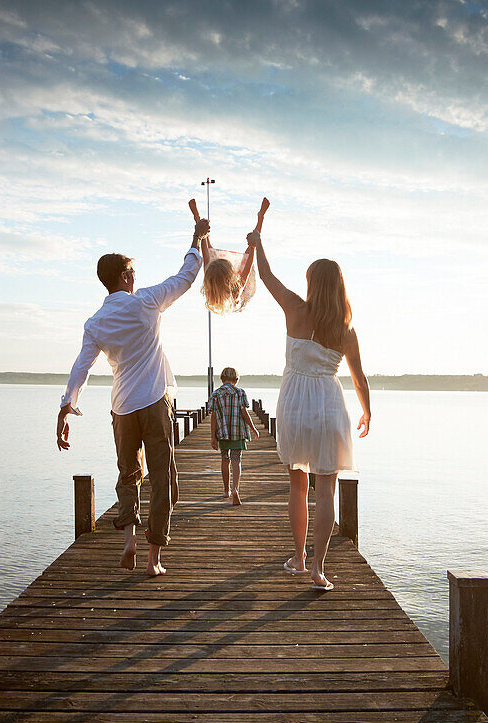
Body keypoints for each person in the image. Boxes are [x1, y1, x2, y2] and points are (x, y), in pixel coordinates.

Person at [56, 218, 209, 577]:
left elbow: (82, 367)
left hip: (122, 407)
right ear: (124, 278)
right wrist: (195, 238)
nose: (135, 278)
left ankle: (129, 541)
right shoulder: (146, 302)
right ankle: (154, 558)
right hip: (155, 402)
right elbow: (186, 276)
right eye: (132, 273)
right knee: (161, 479)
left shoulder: (95, 322)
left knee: (128, 475)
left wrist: (67, 404)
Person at [252, 230, 371, 591]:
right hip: (328, 407)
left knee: (297, 486)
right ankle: (319, 569)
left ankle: (300, 558)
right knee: (326, 492)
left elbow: (267, 276)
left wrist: (258, 243)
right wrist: (367, 412)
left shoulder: (294, 308)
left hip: (293, 405)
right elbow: (359, 378)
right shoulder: (346, 330)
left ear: (312, 284)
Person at [209, 367, 261, 505]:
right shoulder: (240, 393)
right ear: (236, 380)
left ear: (221, 379)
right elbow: (244, 413)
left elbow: (213, 416)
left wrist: (213, 437)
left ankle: (226, 490)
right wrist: (253, 428)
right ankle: (235, 489)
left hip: (223, 433)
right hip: (237, 433)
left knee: (225, 460)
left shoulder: (216, 394)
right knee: (236, 461)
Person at [200, 234, 257, 314]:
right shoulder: (236, 291)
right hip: (238, 299)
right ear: (230, 277)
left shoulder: (210, 278)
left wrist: (203, 235)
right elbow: (247, 268)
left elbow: (206, 255)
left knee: (211, 253)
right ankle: (257, 230)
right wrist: (253, 247)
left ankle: (204, 234)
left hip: (218, 293)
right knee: (246, 258)